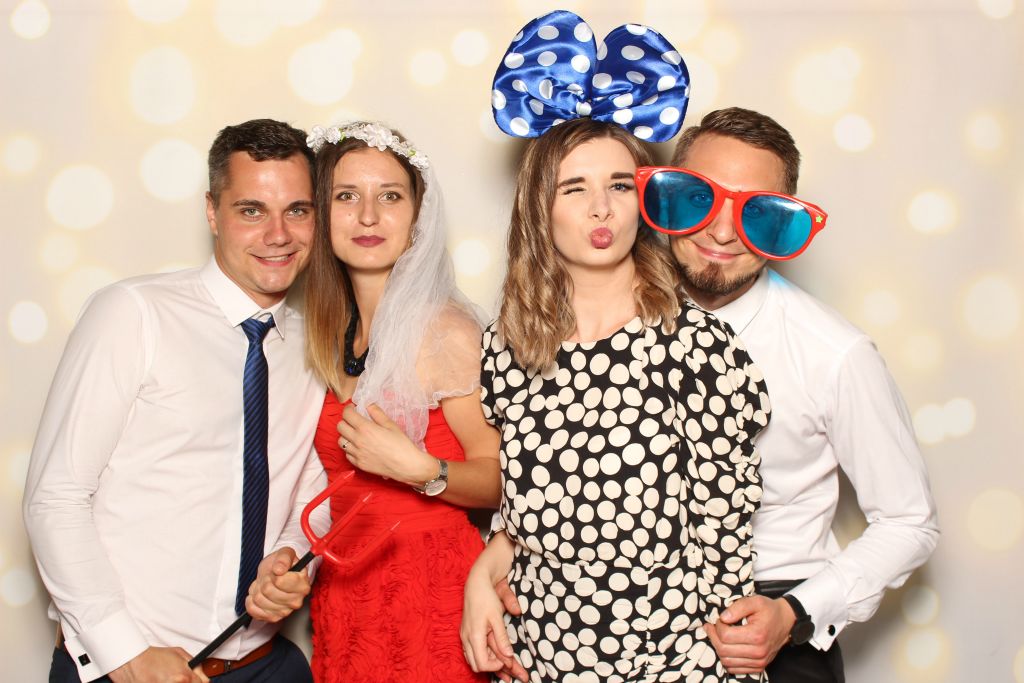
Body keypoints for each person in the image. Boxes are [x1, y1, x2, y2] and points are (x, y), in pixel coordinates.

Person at [461, 12, 771, 683]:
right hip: (539, 657)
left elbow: (724, 542)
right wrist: (484, 574)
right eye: (574, 188)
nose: (600, 208)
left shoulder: (697, 348)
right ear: (540, 209)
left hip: (673, 663)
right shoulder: (506, 349)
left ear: (644, 200)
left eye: (619, 185)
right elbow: (519, 514)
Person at [23, 119, 327, 682]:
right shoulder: (132, 313)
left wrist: (289, 560)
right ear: (212, 212)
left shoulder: (315, 345)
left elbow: (311, 485)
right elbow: (55, 497)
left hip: (265, 664)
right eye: (251, 210)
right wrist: (127, 655)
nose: (278, 234)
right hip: (130, 668)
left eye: (297, 210)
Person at [646, 107, 939, 682]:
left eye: (754, 211)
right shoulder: (605, 321)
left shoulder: (835, 353)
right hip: (623, 615)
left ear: (780, 221)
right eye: (701, 198)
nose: (722, 232)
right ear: (670, 197)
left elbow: (910, 521)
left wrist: (796, 613)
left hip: (774, 614)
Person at [302, 121, 500, 683]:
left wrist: (420, 469)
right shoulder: (324, 334)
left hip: (430, 587)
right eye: (347, 196)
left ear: (417, 216)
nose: (368, 216)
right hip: (345, 585)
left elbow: (505, 480)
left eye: (389, 197)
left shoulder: (446, 331)